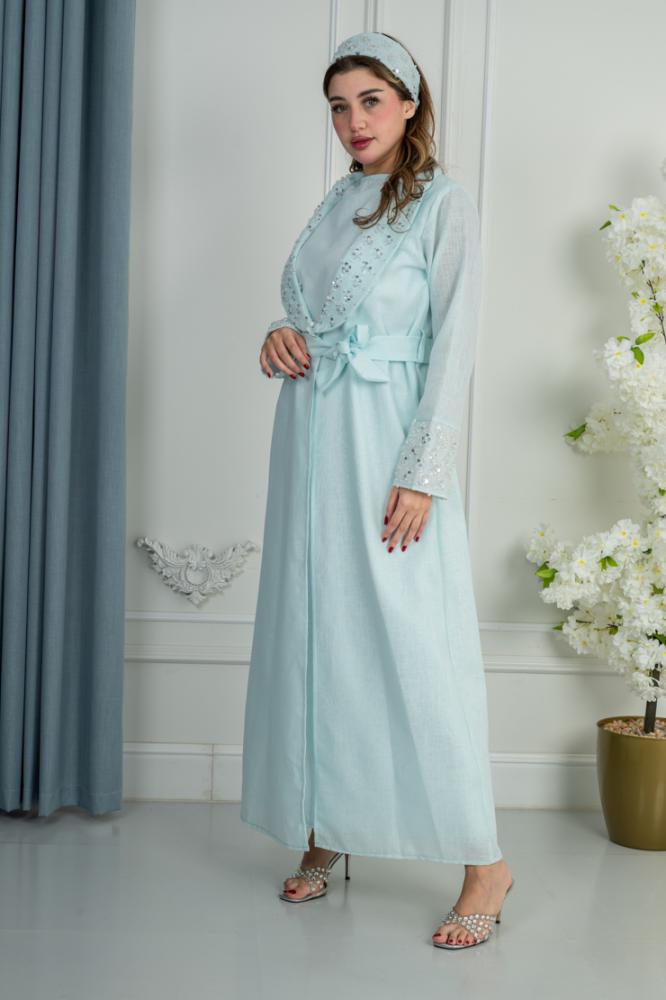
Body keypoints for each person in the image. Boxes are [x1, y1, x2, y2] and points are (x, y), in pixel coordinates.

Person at [240, 31, 514, 950]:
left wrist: (422, 476)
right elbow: (316, 315)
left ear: (408, 103)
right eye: (338, 106)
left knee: (414, 641)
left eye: (369, 100)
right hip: (308, 444)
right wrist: (281, 334)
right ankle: (327, 823)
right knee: (316, 632)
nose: (353, 121)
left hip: (387, 444)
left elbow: (454, 343)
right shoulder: (336, 202)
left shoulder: (444, 204)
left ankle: (485, 864)